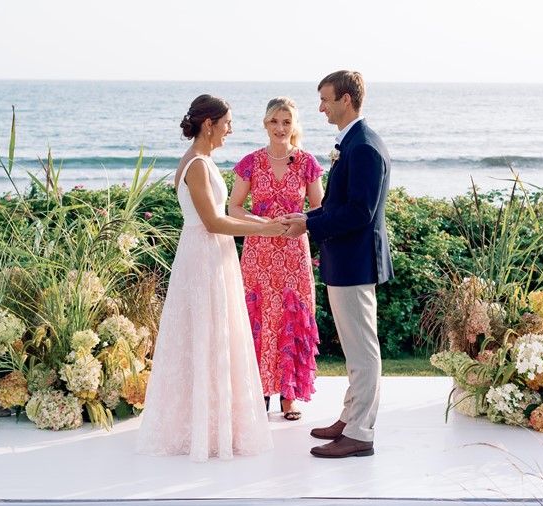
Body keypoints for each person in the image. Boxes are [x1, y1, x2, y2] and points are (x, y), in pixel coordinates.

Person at [136, 94, 286, 462]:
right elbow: (213, 222)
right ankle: (206, 428)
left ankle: (214, 423)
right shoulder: (198, 166)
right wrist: (268, 233)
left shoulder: (201, 161)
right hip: (203, 258)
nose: (230, 130)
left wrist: (263, 221)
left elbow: (222, 213)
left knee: (214, 337)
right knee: (207, 335)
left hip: (210, 254)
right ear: (209, 125)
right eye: (227, 123)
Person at [284, 70, 393, 459]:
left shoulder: (363, 147)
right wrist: (308, 218)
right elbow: (338, 206)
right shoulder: (353, 143)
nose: (321, 107)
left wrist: (308, 224)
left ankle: (361, 433)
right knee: (354, 348)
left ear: (346, 99)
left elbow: (358, 214)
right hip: (345, 261)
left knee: (363, 351)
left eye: (326, 99)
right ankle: (349, 419)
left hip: (355, 262)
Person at [229, 97, 325, 421]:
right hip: (259, 253)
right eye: (274, 122)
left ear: (294, 125)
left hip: (294, 254)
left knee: (291, 317)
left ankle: (289, 395)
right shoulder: (250, 163)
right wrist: (264, 225)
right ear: (265, 124)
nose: (280, 128)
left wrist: (298, 221)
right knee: (259, 319)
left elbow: (320, 210)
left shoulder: (307, 163)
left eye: (286, 122)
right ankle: (260, 392)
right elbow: (235, 208)